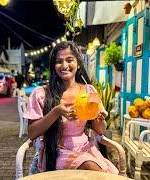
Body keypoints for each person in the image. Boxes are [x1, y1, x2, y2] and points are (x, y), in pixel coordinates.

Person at [23, 41, 118, 174]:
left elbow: (100, 130)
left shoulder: (89, 91)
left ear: (78, 64)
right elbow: (32, 133)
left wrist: (100, 119)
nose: (64, 65)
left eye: (69, 60)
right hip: (56, 152)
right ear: (53, 66)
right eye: (59, 61)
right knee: (92, 169)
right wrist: (56, 112)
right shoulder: (41, 93)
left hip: (86, 149)